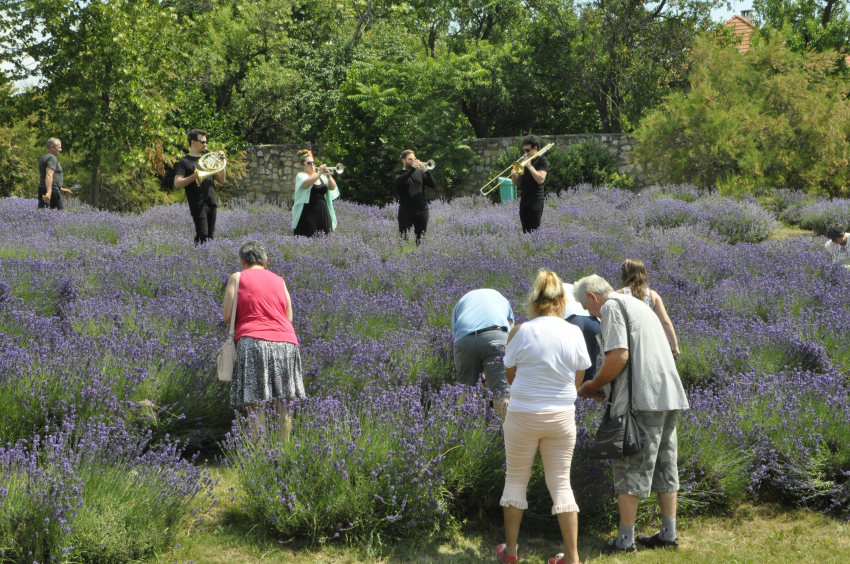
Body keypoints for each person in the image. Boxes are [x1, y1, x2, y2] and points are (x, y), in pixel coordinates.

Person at [573, 274, 690, 554]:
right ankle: (668, 533)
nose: (590, 314)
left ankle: (625, 540)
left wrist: (594, 385)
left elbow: (619, 357)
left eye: (587, 307)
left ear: (592, 297)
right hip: (668, 394)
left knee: (629, 464)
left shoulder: (612, 306)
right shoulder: (636, 304)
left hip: (642, 400)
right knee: (665, 462)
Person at [496, 271, 590, 564]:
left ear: (534, 301)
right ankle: (572, 557)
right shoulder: (573, 332)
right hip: (561, 417)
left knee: (515, 481)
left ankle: (510, 553)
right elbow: (580, 374)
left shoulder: (521, 332)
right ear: (563, 300)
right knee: (562, 484)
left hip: (523, 414)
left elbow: (510, 376)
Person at [223, 240, 306, 440]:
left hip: (253, 342)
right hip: (286, 343)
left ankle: (258, 456)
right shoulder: (279, 280)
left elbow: (227, 316)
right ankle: (284, 454)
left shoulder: (237, 277)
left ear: (242, 261)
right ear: (265, 261)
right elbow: (289, 316)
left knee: (255, 405)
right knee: (283, 405)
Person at [451, 289, 514, 417]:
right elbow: (512, 335)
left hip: (465, 339)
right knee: (500, 393)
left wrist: (482, 377)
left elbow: (456, 335)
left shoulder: (461, 302)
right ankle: (499, 432)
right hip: (497, 335)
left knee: (467, 389)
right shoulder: (503, 300)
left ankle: (463, 427)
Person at [616, 259, 681, 358]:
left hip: (626, 342)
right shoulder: (652, 295)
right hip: (649, 342)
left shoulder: (618, 294)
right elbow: (665, 321)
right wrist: (674, 345)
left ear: (625, 274)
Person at [174, 129, 225, 244]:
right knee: (203, 235)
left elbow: (221, 180)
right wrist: (194, 176)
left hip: (211, 201)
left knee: (210, 238)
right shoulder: (185, 162)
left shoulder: (207, 160)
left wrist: (222, 162)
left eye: (206, 142)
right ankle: (198, 257)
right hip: (198, 203)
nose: (205, 145)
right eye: (202, 142)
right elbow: (177, 183)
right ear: (193, 142)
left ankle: (205, 258)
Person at [292, 150, 340, 237]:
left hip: (323, 213)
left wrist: (328, 176)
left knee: (326, 238)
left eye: (313, 162)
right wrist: (319, 173)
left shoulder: (321, 177)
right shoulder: (301, 176)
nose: (312, 165)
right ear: (303, 166)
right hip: (308, 214)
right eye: (309, 163)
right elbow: (306, 184)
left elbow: (332, 187)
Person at [393, 150, 435, 244]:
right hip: (406, 210)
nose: (413, 161)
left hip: (422, 210)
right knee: (403, 238)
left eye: (414, 158)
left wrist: (426, 171)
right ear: (403, 160)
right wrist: (413, 169)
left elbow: (433, 185)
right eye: (410, 159)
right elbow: (398, 182)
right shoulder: (397, 174)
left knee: (421, 238)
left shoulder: (420, 173)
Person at [563, 282, 602, 382]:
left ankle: (575, 393)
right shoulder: (571, 287)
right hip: (593, 321)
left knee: (571, 364)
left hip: (571, 319)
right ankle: (588, 394)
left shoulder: (550, 290)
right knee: (590, 363)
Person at [512, 134, 549, 233]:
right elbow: (515, 183)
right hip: (524, 198)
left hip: (536, 199)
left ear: (535, 148)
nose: (525, 153)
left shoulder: (542, 160)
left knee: (534, 229)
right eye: (524, 150)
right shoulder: (525, 162)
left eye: (528, 150)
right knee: (525, 228)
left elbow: (540, 179)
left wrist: (530, 166)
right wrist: (513, 175)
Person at [38, 138, 72, 210]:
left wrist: (61, 189)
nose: (60, 149)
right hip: (52, 191)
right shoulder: (51, 158)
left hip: (43, 188)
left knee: (41, 213)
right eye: (59, 147)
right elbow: (49, 175)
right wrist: (49, 192)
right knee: (59, 215)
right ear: (52, 147)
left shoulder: (44, 157)